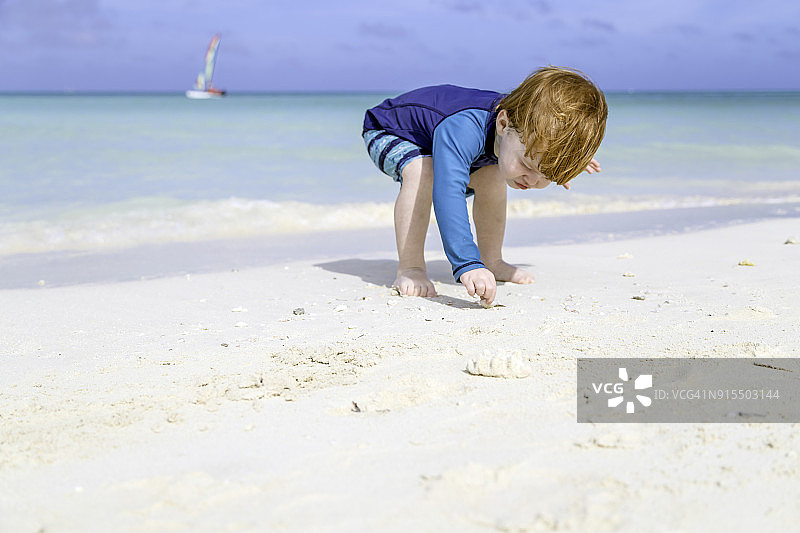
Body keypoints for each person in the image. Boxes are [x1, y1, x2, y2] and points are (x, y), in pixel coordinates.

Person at [362, 66, 607, 306]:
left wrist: (561, 166)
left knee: (493, 175)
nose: (532, 180)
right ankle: (411, 267)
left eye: (545, 175)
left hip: (446, 143)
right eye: (527, 164)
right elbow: (449, 193)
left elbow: (537, 157)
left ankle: (492, 260)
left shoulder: (519, 131)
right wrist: (467, 263)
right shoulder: (464, 128)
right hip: (390, 131)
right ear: (503, 124)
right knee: (424, 172)